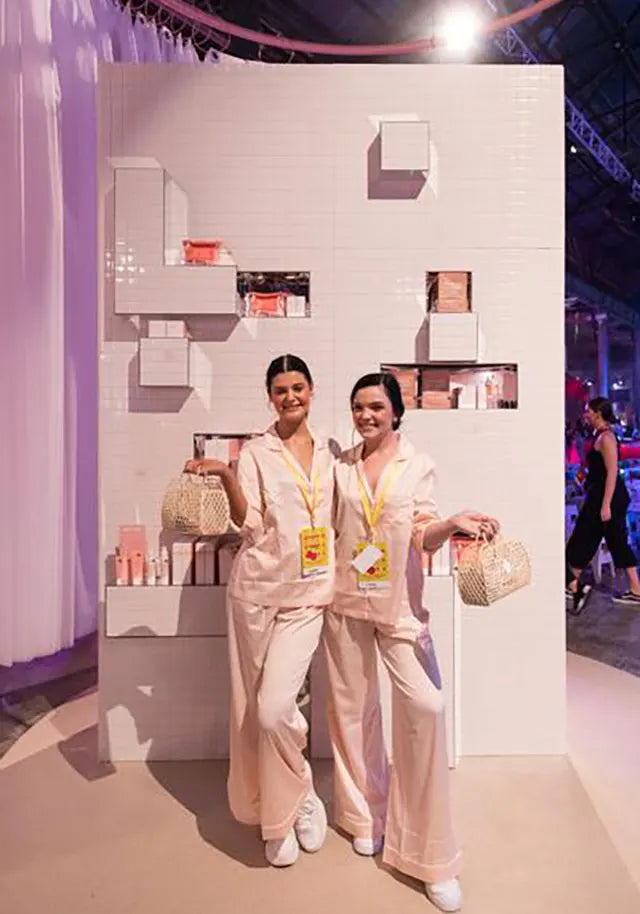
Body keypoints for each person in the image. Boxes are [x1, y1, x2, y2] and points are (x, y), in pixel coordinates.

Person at [323, 372, 499, 913]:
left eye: (376, 406)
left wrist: (452, 524)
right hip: (346, 601)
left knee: (426, 707)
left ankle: (430, 854)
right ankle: (364, 816)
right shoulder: (340, 468)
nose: (366, 415)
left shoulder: (417, 465)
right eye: (358, 407)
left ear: (396, 411)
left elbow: (423, 531)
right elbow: (328, 530)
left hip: (400, 607)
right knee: (352, 713)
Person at [184, 354, 333, 867]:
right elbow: (247, 523)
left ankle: (301, 793)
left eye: (298, 387)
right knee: (255, 711)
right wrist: (227, 476)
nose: (290, 397)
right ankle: (277, 814)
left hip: (309, 595)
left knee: (275, 707)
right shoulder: (255, 453)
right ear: (270, 397)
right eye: (280, 390)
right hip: (256, 593)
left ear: (312, 390)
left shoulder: (331, 452)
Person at [566, 397, 640, 612]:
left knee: (603, 538)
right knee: (596, 538)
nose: (585, 415)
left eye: (588, 411)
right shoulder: (598, 435)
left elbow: (612, 472)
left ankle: (574, 586)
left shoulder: (607, 437)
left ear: (598, 413)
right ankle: (573, 585)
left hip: (607, 497)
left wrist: (606, 504)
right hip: (599, 495)